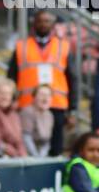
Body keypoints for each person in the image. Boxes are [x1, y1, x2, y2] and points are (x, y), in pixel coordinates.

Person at [7, 10, 74, 155]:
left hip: (56, 104)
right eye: (40, 21)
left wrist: (72, 109)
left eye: (47, 21)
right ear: (34, 23)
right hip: (27, 105)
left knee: (55, 148)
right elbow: (11, 77)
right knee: (27, 146)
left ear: (53, 24)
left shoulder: (63, 47)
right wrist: (12, 100)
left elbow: (72, 79)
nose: (43, 24)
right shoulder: (21, 46)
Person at [20, 84, 54, 157]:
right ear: (34, 97)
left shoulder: (50, 115)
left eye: (48, 95)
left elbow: (47, 141)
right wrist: (37, 158)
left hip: (41, 155)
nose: (45, 98)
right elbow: (26, 138)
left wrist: (42, 157)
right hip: (27, 155)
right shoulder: (28, 111)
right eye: (42, 95)